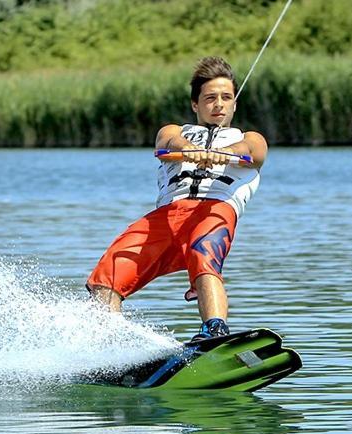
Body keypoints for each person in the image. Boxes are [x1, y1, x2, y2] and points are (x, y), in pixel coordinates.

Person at [86, 56, 268, 341]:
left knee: (203, 253)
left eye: (226, 97)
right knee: (111, 267)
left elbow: (253, 152)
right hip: (169, 215)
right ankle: (106, 341)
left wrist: (223, 154)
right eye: (209, 98)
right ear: (196, 104)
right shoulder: (175, 131)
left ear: (235, 103)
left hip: (215, 210)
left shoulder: (250, 137)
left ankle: (214, 330)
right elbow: (167, 142)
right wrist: (189, 149)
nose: (218, 104)